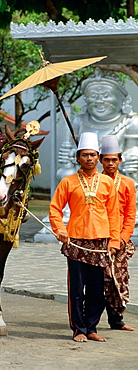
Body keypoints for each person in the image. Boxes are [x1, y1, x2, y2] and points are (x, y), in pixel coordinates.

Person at [49, 132, 120, 343]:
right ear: (78, 157)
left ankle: (92, 328)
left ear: (98, 157)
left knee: (98, 290)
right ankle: (78, 329)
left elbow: (114, 214)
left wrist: (114, 242)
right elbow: (55, 209)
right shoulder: (68, 182)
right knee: (77, 290)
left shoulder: (107, 183)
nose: (89, 158)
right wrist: (59, 229)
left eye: (93, 155)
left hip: (100, 243)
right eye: (85, 155)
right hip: (76, 241)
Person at [100, 135, 136, 331]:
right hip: (98, 237)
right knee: (99, 281)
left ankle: (116, 321)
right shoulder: (94, 181)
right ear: (100, 160)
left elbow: (131, 214)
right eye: (107, 159)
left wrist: (122, 238)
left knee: (118, 279)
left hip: (120, 239)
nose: (111, 163)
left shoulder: (128, 183)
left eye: (114, 159)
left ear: (120, 160)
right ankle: (90, 322)